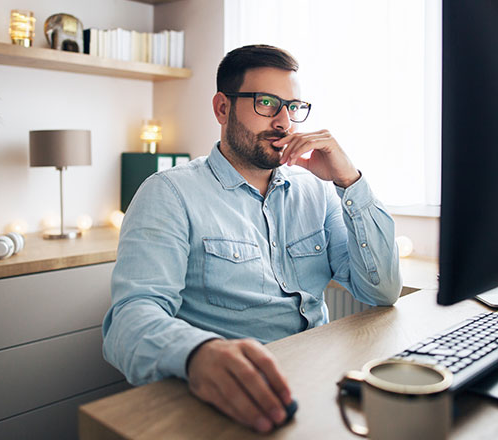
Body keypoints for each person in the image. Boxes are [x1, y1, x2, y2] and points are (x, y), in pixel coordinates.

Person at [102, 44, 402, 433]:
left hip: (320, 381)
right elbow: (128, 322)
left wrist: (349, 181)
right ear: (222, 109)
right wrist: (197, 354)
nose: (284, 122)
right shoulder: (168, 194)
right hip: (230, 400)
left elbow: (382, 291)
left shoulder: (317, 189)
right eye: (266, 103)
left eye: (293, 107)